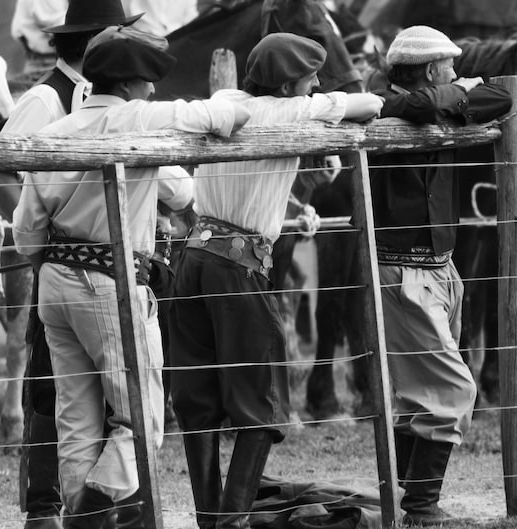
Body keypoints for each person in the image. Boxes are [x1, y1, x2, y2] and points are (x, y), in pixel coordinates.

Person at [12, 26, 250, 529]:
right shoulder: (138, 121)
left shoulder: (54, 133)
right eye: (147, 82)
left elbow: (26, 234)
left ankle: (82, 511)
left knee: (76, 420)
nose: (152, 91)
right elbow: (189, 181)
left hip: (55, 283)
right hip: (112, 282)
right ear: (127, 85)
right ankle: (91, 519)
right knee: (141, 421)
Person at [167, 33, 383, 529]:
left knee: (197, 403)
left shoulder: (224, 102)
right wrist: (324, 109)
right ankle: (232, 520)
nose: (317, 84)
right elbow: (368, 102)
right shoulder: (295, 111)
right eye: (310, 77)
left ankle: (209, 519)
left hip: (194, 257)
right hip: (237, 266)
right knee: (263, 400)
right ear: (290, 85)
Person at [4, 2, 144, 528]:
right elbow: (11, 172)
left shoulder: (103, 99)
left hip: (99, 263)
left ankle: (106, 507)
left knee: (98, 391)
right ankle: (43, 506)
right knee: (51, 384)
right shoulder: (44, 100)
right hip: (56, 262)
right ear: (95, 42)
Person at [368, 25, 512, 526]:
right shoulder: (382, 102)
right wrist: (458, 94)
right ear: (431, 71)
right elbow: (417, 108)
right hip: (401, 270)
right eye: (450, 69)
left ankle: (413, 503)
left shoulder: (436, 96)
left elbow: (501, 98)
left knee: (417, 394)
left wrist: (460, 93)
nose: (459, 75)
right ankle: (422, 510)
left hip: (441, 268)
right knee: (452, 391)